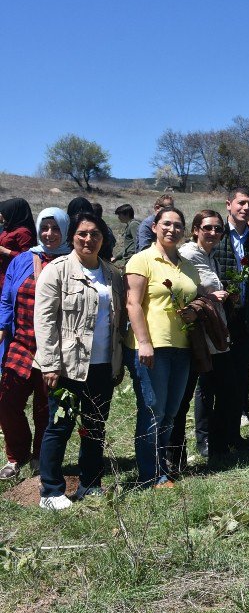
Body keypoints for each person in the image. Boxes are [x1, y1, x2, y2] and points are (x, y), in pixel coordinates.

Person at [34, 212, 125, 509]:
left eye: (95, 234)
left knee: (94, 427)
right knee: (60, 426)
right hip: (68, 367)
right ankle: (51, 490)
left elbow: (116, 322)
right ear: (72, 236)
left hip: (101, 365)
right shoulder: (57, 271)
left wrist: (117, 362)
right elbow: (45, 320)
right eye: (82, 234)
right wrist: (49, 363)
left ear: (103, 238)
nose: (88, 239)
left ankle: (90, 483)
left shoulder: (112, 274)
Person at [124, 207, 200, 487]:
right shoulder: (142, 259)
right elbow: (133, 304)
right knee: (152, 409)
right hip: (152, 347)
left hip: (183, 347)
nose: (172, 229)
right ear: (154, 226)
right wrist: (143, 342)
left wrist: (194, 310)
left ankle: (161, 468)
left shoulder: (187, 265)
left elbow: (194, 299)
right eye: (166, 224)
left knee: (171, 411)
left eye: (178, 225)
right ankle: (151, 475)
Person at [0, 208, 71, 481]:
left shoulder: (71, 261)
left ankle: (41, 457)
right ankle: (16, 456)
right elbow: (7, 297)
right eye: (45, 227)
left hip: (53, 346)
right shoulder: (23, 260)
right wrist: (3, 327)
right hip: (22, 341)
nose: (49, 234)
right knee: (7, 402)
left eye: (55, 228)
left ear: (64, 230)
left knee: (45, 406)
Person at [212, 186, 249, 453]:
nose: (245, 208)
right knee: (212, 382)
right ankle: (211, 439)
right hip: (218, 321)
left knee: (239, 382)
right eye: (241, 203)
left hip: (246, 322)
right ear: (229, 204)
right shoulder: (216, 237)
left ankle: (233, 435)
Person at [169, 210, 229, 463]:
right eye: (207, 228)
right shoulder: (189, 255)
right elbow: (185, 292)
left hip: (208, 331)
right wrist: (210, 298)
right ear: (195, 230)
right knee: (186, 395)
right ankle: (176, 454)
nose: (213, 233)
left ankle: (196, 447)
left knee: (206, 388)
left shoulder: (209, 256)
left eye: (218, 229)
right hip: (194, 334)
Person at [0, 198, 36, 291]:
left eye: (4, 212)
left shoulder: (23, 232)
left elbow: (28, 258)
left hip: (10, 275)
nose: (1, 215)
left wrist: (6, 251)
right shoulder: (8, 227)